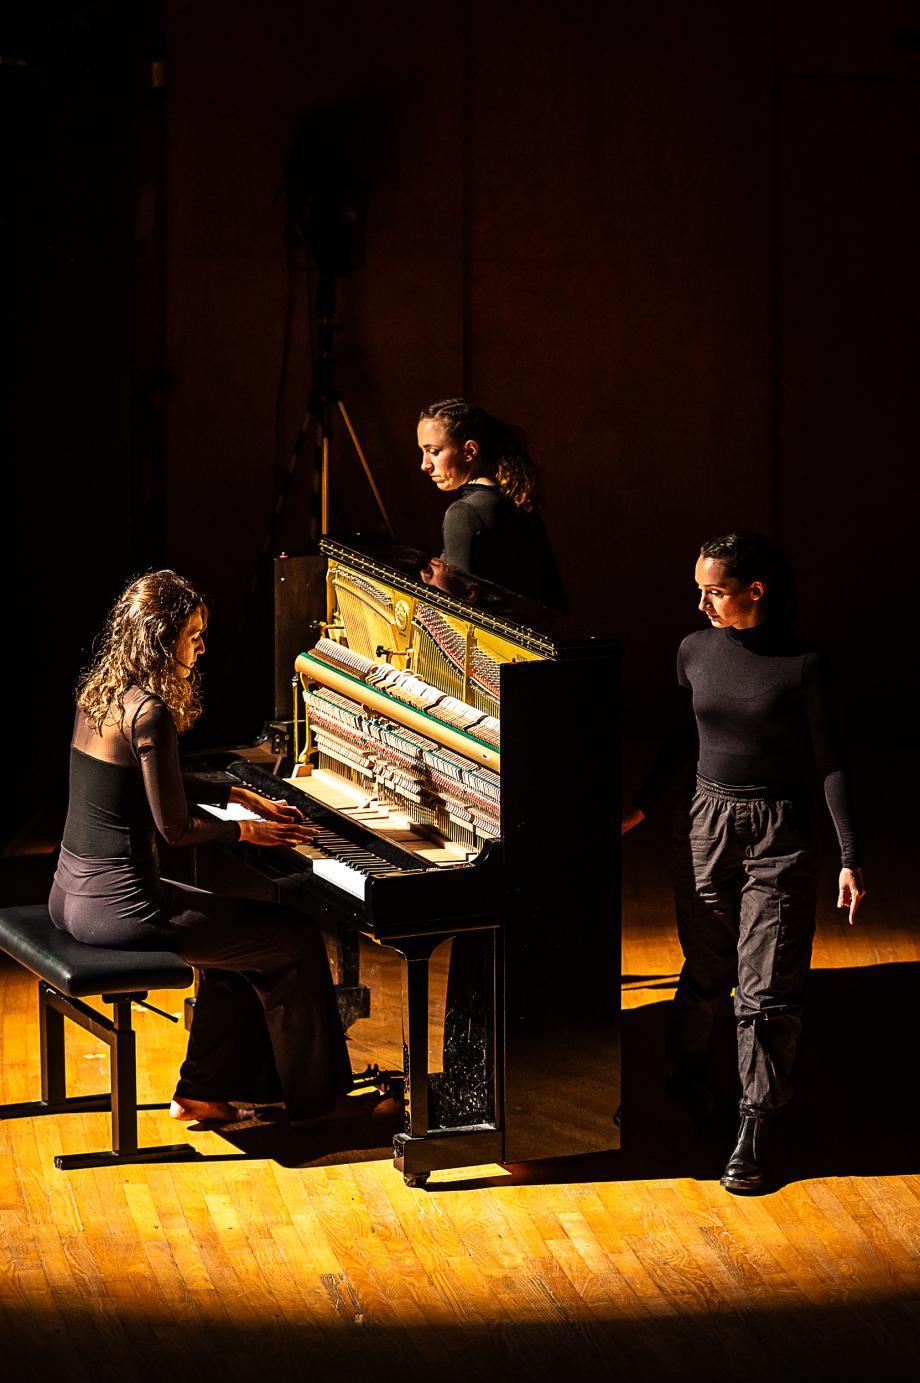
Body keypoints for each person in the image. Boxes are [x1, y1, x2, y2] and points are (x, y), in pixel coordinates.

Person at [48, 570, 354, 1127]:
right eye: (193, 634)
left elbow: (148, 782)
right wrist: (246, 830)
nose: (201, 646)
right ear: (164, 640)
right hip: (121, 909)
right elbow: (176, 830)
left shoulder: (101, 694)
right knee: (294, 939)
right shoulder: (152, 714)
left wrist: (235, 792)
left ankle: (204, 1092)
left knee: (237, 944)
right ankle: (322, 1110)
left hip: (70, 895)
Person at [623, 532, 866, 1194]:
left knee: (766, 990)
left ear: (756, 590)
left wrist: (849, 853)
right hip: (705, 822)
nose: (701, 603)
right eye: (698, 588)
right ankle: (686, 1072)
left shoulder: (803, 665)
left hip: (779, 832)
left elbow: (832, 760)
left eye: (715, 591)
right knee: (707, 968)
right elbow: (684, 735)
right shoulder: (693, 650)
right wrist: (643, 805)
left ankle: (755, 1125)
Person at [417, 397, 565, 609]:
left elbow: (456, 616)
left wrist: (433, 589)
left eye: (434, 451)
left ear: (469, 451)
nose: (424, 464)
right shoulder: (516, 499)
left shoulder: (463, 513)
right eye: (422, 451)